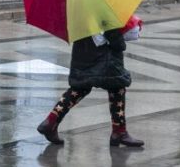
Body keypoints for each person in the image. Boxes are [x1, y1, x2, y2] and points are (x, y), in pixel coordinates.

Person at [37, 16, 144, 148]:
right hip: (105, 56)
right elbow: (110, 30)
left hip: (83, 49)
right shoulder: (101, 3)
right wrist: (121, 42)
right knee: (117, 87)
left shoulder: (80, 6)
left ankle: (50, 122)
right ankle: (119, 132)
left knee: (80, 87)